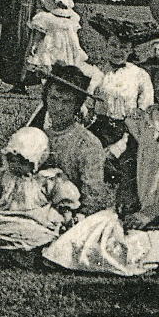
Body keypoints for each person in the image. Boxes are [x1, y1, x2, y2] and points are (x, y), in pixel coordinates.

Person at [42, 44, 159, 276]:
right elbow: (130, 163)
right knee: (91, 237)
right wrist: (127, 195)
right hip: (142, 203)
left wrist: (157, 210)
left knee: (150, 249)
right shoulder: (143, 122)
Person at [0, 126, 79, 258]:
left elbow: (63, 200)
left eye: (22, 162)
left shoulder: (46, 179)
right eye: (11, 160)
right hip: (4, 214)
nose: (15, 166)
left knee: (34, 235)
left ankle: (15, 254)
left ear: (37, 159)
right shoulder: (4, 176)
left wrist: (68, 218)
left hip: (34, 219)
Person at [39, 64, 112, 217]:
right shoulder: (38, 137)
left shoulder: (86, 144)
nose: (58, 108)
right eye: (54, 98)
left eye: (66, 102)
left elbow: (93, 198)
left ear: (77, 105)